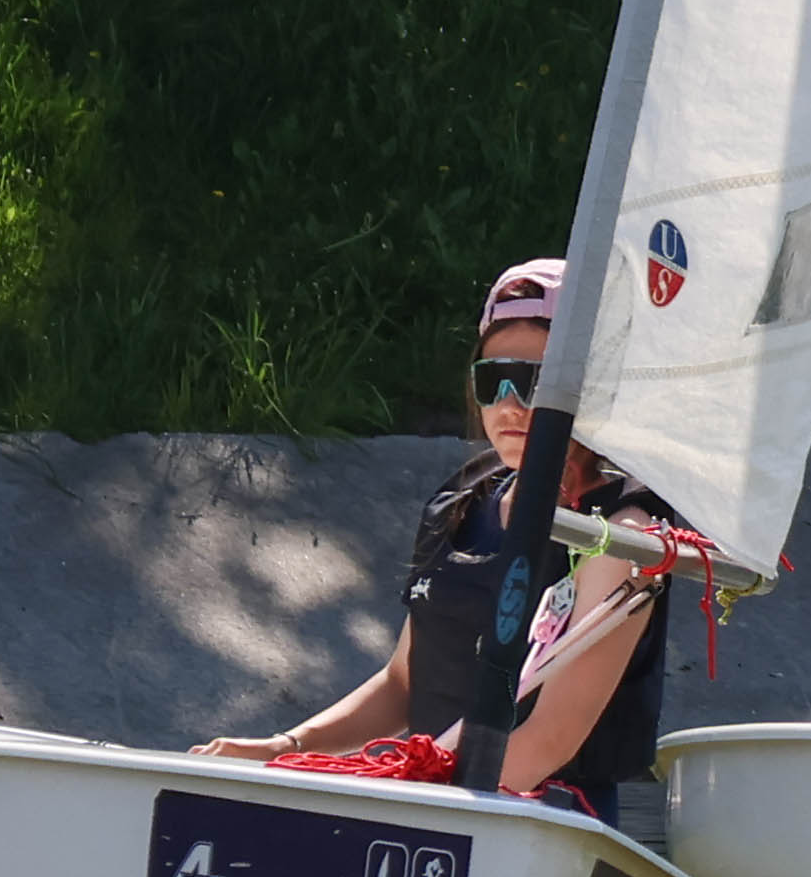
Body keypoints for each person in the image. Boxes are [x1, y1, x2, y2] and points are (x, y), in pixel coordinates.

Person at [200, 264, 679, 816]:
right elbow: (404, 682)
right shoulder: (465, 499)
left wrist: (405, 803)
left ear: (592, 388)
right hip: (429, 809)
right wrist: (285, 749)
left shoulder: (622, 533)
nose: (508, 404)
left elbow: (550, 742)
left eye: (535, 380)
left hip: (539, 820)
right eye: (491, 378)